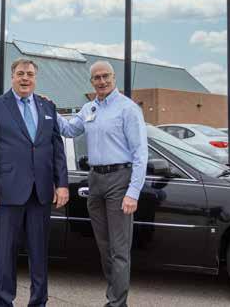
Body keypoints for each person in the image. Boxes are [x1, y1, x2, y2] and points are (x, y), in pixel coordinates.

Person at [0, 58, 69, 307]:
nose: (25, 78)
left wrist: (62, 183)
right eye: (20, 73)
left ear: (35, 78)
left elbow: (57, 149)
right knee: (5, 255)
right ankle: (3, 302)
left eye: (29, 74)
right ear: (13, 77)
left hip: (41, 193)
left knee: (39, 255)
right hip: (8, 193)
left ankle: (38, 302)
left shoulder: (47, 106)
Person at [57, 60, 147, 307]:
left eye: (106, 76)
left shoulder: (128, 109)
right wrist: (47, 109)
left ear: (114, 77)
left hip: (120, 179)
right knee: (105, 247)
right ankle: (115, 297)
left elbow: (140, 153)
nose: (102, 81)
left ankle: (117, 303)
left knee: (119, 249)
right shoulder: (89, 108)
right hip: (95, 180)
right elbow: (69, 130)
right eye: (96, 78)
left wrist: (133, 192)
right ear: (91, 82)